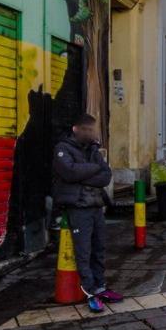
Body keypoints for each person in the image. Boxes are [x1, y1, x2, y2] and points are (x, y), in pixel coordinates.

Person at [52, 114, 122, 312]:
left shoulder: (93, 150)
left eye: (93, 129)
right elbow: (69, 173)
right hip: (77, 207)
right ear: (76, 129)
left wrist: (83, 173)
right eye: (88, 129)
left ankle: (100, 287)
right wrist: (93, 170)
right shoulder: (62, 149)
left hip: (96, 206)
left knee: (99, 249)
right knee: (83, 252)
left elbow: (106, 176)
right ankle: (90, 293)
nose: (92, 133)